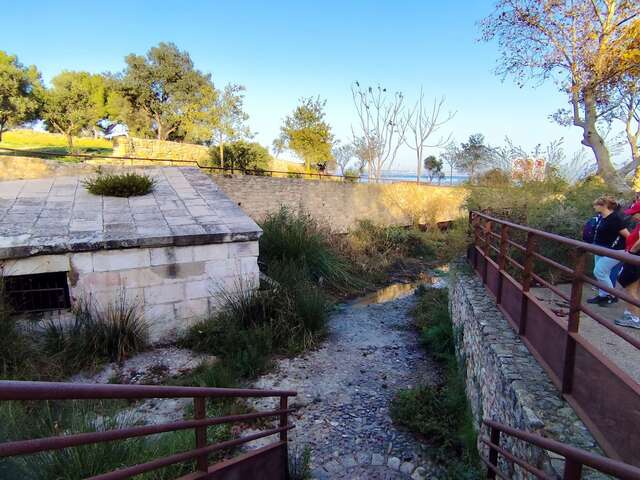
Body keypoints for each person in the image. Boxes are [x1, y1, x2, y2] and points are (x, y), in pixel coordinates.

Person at [587, 196, 629, 306]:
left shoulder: (615, 218)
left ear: (604, 206)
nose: (594, 207)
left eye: (596, 205)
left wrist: (630, 250)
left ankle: (612, 295)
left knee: (599, 271)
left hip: (615, 250)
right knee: (603, 273)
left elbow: (627, 235)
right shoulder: (602, 217)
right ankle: (602, 296)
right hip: (601, 249)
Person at [615, 201, 640, 329]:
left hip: (635, 259)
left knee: (630, 289)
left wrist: (631, 252)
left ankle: (636, 319)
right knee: (634, 289)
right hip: (635, 259)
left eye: (635, 213)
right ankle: (632, 313)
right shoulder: (638, 224)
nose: (633, 216)